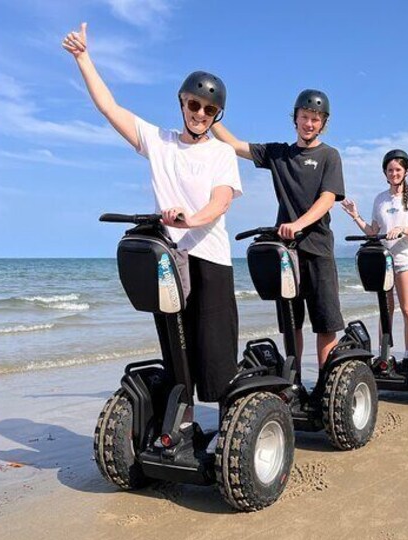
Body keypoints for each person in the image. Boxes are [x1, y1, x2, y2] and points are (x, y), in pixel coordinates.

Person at [62, 24, 242, 432]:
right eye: (194, 105)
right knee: (175, 348)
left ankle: (234, 430)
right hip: (168, 257)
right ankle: (184, 427)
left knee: (214, 353)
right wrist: (83, 59)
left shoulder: (221, 153)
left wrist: (189, 219)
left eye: (209, 110)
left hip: (208, 257)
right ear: (182, 102)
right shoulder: (159, 142)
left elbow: (221, 200)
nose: (200, 114)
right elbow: (111, 108)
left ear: (217, 117)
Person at [211, 89, 344, 387]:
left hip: (318, 249)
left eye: (315, 119)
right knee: (290, 322)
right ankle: (294, 382)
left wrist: (298, 224)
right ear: (295, 119)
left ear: (323, 123)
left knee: (325, 322)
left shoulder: (329, 156)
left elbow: (327, 198)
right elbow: (233, 145)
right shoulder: (278, 153)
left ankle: (328, 385)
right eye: (305, 117)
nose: (309, 123)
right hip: (285, 252)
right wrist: (211, 115)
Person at [340, 149, 408, 371]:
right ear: (385, 173)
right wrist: (355, 216)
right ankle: (384, 356)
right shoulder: (380, 199)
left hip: (405, 259)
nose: (394, 173)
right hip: (383, 260)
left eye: (398, 169)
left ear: (406, 171)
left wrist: (402, 229)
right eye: (390, 170)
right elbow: (373, 231)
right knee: (385, 309)